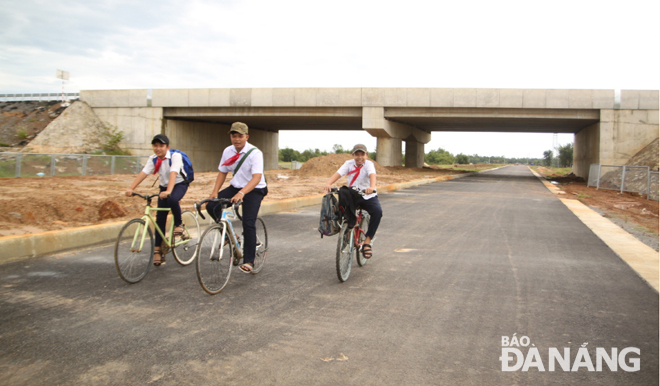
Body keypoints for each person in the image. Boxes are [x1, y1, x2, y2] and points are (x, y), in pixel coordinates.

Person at [207, 122, 268, 273]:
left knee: (248, 222)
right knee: (211, 205)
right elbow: (223, 171)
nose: (237, 139)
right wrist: (215, 191)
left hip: (254, 188)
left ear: (246, 137)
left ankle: (249, 261)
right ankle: (230, 236)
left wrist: (242, 193)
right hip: (236, 186)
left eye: (240, 136)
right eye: (234, 136)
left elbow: (256, 178)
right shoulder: (228, 151)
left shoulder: (255, 153)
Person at [125, 134, 189, 266]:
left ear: (167, 147)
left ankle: (179, 224)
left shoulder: (175, 156)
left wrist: (169, 191)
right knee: (160, 217)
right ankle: (157, 251)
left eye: (161, 146)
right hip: (165, 186)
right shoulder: (153, 159)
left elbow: (173, 173)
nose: (158, 148)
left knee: (172, 200)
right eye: (155, 145)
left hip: (179, 183)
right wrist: (131, 188)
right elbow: (144, 173)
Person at [324, 144, 382, 259]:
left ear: (366, 155)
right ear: (353, 155)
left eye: (362, 154)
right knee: (343, 213)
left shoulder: (369, 164)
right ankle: (346, 235)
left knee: (377, 212)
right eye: (357, 154)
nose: (359, 157)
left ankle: (367, 242)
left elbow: (372, 175)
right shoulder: (348, 164)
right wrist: (328, 183)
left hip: (367, 195)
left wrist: (371, 187)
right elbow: (339, 174)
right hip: (353, 195)